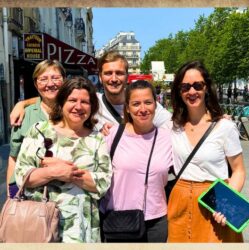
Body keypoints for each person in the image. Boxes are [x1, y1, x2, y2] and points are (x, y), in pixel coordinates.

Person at [14, 77, 112, 243]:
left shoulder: (97, 139)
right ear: (62, 102)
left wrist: (67, 171)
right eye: (72, 100)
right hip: (42, 226)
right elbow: (22, 176)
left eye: (85, 102)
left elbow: (103, 182)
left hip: (82, 227)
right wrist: (54, 171)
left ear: (92, 106)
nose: (78, 106)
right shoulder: (39, 131)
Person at [168, 60, 246, 242]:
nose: (192, 91)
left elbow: (239, 170)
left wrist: (226, 205)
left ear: (206, 88)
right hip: (180, 203)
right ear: (179, 92)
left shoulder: (224, 127)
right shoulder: (171, 126)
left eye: (197, 85)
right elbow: (140, 116)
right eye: (185, 87)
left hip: (214, 202)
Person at [9, 51, 172, 131]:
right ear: (100, 77)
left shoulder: (143, 105)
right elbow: (58, 98)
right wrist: (22, 104)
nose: (114, 78)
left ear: (127, 76)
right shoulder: (90, 102)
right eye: (108, 73)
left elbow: (173, 126)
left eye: (119, 73)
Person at [100, 80, 173, 242]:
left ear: (156, 104)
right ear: (127, 107)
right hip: (118, 220)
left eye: (148, 102)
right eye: (136, 104)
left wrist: (216, 119)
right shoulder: (112, 135)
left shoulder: (168, 138)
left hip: (156, 221)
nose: (143, 109)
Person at [6, 59, 66, 197]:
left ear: (64, 80)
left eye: (56, 78)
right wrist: (12, 194)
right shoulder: (24, 116)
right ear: (35, 84)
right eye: (43, 79)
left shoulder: (76, 111)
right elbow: (14, 158)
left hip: (67, 197)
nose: (50, 84)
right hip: (32, 199)